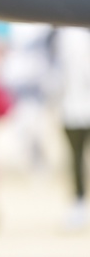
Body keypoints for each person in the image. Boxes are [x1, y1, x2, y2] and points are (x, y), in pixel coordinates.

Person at [53, 26, 90, 230]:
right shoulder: (62, 35)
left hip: (79, 104)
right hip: (71, 107)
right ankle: (78, 202)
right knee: (75, 159)